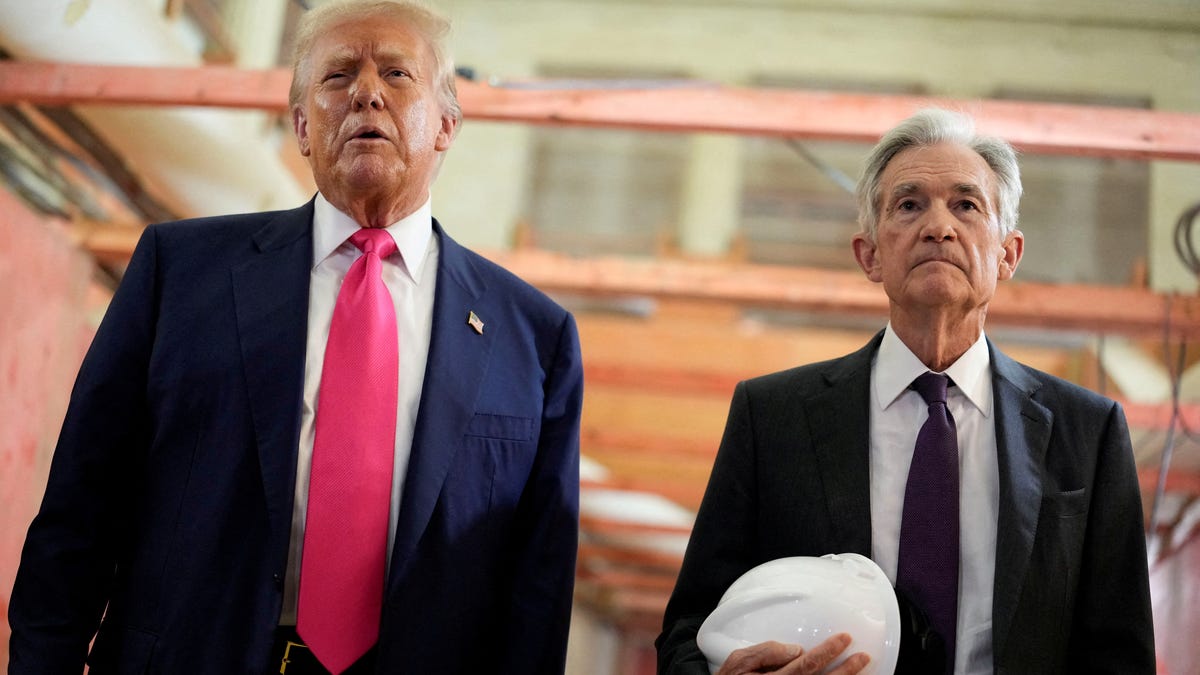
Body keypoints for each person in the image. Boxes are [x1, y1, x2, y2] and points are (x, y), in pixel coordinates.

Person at [8, 2, 583, 674]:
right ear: (303, 127)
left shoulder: (534, 339)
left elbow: (537, 589)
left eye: (397, 74)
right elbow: (81, 507)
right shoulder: (180, 274)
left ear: (447, 125)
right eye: (338, 76)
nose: (367, 91)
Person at [657, 108, 1154, 674]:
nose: (938, 226)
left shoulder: (1087, 431)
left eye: (966, 205)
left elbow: (1122, 653)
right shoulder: (771, 417)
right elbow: (687, 633)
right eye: (909, 204)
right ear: (869, 255)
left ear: (1008, 254)